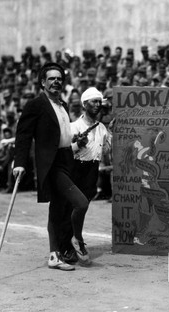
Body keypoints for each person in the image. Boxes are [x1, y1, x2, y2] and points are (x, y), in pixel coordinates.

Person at [13, 62, 90, 271]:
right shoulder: (36, 105)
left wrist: (76, 141)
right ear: (42, 82)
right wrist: (19, 163)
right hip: (52, 162)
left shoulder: (63, 105)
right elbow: (23, 135)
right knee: (80, 203)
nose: (56, 81)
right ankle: (75, 241)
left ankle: (57, 253)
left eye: (59, 78)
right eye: (51, 78)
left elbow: (62, 136)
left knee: (59, 208)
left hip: (67, 157)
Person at [60, 87, 112, 264]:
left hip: (92, 172)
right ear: (84, 104)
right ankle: (75, 240)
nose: (97, 105)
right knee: (74, 207)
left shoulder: (102, 129)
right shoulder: (73, 127)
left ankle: (72, 243)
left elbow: (105, 151)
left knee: (81, 209)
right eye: (94, 102)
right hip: (75, 170)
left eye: (99, 102)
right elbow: (62, 151)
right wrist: (77, 146)